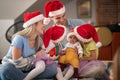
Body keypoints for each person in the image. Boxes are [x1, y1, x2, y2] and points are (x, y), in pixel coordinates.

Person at [0, 10, 57, 80]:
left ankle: (26, 77)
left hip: (28, 68)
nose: (44, 25)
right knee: (6, 69)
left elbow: (44, 53)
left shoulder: (38, 39)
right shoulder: (19, 39)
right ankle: (29, 77)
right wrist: (35, 55)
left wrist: (55, 50)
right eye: (42, 22)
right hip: (15, 67)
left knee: (53, 69)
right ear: (34, 25)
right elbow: (17, 62)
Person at [43, 0, 86, 79]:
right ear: (51, 17)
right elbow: (54, 52)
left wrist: (81, 51)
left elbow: (90, 44)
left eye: (63, 16)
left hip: (80, 59)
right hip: (64, 61)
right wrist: (58, 52)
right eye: (58, 18)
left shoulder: (79, 23)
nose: (62, 19)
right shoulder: (51, 33)